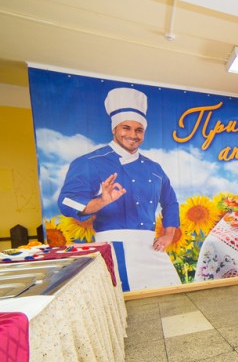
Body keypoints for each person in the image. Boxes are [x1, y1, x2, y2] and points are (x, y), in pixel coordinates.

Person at [58, 87, 181, 291]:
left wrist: (168, 235)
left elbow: (170, 202)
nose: (133, 135)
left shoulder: (155, 168)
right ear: (114, 129)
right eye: (126, 128)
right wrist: (102, 201)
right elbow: (66, 202)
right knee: (128, 302)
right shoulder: (90, 162)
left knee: (172, 295)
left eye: (139, 130)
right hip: (114, 246)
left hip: (151, 246)